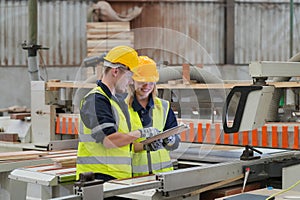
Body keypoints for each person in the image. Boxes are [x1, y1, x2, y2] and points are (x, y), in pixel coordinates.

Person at [76, 46, 161, 182]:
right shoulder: (97, 100)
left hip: (115, 178)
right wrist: (142, 133)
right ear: (115, 71)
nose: (131, 81)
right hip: (99, 177)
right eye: (129, 76)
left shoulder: (114, 102)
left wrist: (145, 146)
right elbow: (110, 140)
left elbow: (122, 145)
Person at [126, 56, 180, 177]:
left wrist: (170, 141)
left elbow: (175, 143)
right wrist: (144, 146)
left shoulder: (164, 107)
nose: (147, 86)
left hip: (164, 177)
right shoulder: (123, 109)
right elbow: (119, 146)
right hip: (134, 178)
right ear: (132, 81)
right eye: (142, 81)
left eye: (151, 81)